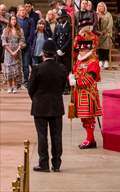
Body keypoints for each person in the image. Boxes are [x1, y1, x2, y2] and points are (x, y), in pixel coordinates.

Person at [28, 40, 67, 172]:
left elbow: (30, 88)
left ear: (43, 53)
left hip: (40, 106)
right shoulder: (62, 68)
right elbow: (63, 87)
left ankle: (43, 163)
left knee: (42, 136)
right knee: (57, 136)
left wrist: (36, 99)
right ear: (55, 53)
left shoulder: (37, 68)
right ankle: (56, 164)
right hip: (56, 105)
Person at [69, 32, 102, 149]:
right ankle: (91, 139)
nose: (81, 52)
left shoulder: (93, 62)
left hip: (88, 94)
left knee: (89, 118)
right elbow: (75, 71)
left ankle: (89, 139)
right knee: (84, 118)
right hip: (79, 93)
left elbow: (90, 79)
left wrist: (76, 82)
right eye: (80, 50)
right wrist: (72, 77)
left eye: (83, 50)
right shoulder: (79, 61)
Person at [2, 15, 25, 93]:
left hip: (17, 52)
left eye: (15, 19)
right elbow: (4, 42)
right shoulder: (5, 30)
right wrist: (11, 52)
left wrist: (17, 50)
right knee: (8, 69)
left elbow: (22, 41)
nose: (14, 21)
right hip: (8, 52)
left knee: (15, 69)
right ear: (9, 21)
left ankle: (14, 86)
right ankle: (9, 86)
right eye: (12, 19)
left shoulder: (20, 30)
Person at [96, 2, 113, 69]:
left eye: (102, 6)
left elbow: (110, 24)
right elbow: (95, 24)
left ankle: (106, 60)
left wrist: (105, 31)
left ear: (104, 7)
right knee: (99, 48)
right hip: (99, 33)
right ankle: (100, 60)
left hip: (106, 33)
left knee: (106, 47)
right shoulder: (96, 14)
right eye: (99, 6)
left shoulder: (108, 14)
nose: (100, 8)